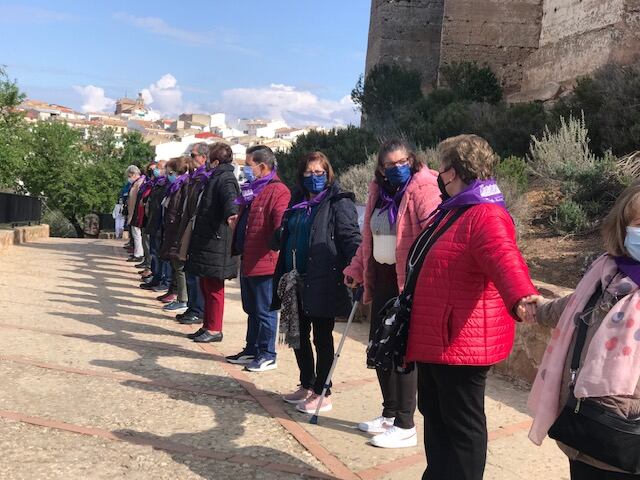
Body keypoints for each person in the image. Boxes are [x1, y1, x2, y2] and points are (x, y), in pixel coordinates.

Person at [405, 134, 539, 480]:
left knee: (462, 426)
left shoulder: (485, 213)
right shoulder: (456, 209)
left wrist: (522, 296)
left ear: (453, 171)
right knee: (436, 416)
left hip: (462, 342)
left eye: (443, 166)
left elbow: (504, 258)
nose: (438, 173)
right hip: (438, 339)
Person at [528, 182, 640, 479]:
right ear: (623, 225)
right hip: (584, 424)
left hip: (626, 434)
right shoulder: (607, 269)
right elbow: (574, 306)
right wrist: (537, 310)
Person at [343, 140, 441, 449]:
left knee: (401, 352)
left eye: (402, 162)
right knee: (380, 348)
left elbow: (432, 235)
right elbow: (366, 240)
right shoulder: (379, 192)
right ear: (381, 169)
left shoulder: (425, 187)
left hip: (406, 282)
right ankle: (388, 413)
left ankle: (405, 424)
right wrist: (357, 269)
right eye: (390, 165)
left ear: (412, 160)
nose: (397, 168)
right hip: (383, 277)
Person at [272, 151, 361, 414]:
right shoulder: (297, 202)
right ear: (301, 175)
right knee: (298, 335)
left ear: (328, 173)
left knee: (322, 338)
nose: (315, 178)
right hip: (292, 280)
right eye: (309, 173)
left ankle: (324, 391)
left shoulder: (338, 202)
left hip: (322, 280)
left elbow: (349, 236)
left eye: (320, 172)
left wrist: (356, 267)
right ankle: (307, 384)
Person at [225, 146, 291, 371]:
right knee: (251, 309)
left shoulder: (278, 190)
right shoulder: (253, 190)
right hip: (248, 258)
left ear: (262, 166)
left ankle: (267, 353)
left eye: (248, 164)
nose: (246, 168)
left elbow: (279, 225)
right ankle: (251, 348)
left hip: (265, 262)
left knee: (265, 311)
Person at [185, 143, 240, 343]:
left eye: (209, 160)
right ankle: (207, 325)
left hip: (217, 242)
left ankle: (215, 329)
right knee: (206, 285)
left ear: (216, 162)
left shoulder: (225, 179)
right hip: (208, 241)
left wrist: (232, 216)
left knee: (215, 288)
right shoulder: (215, 178)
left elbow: (231, 204)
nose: (206, 163)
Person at [174, 143, 210, 325]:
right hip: (188, 226)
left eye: (194, 154)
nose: (191, 157)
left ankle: (198, 309)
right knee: (189, 270)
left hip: (196, 229)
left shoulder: (204, 178)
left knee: (195, 274)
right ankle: (192, 306)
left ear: (204, 157)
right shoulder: (195, 178)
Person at [158, 156, 190, 311]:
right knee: (174, 262)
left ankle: (182, 298)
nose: (167, 174)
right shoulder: (175, 186)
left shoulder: (184, 185)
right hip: (172, 229)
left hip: (178, 230)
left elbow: (182, 210)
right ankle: (176, 294)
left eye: (169, 172)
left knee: (179, 265)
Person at [139, 160, 171, 292]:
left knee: (159, 253)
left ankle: (163, 279)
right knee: (153, 252)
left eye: (159, 168)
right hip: (153, 222)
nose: (156, 171)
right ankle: (156, 277)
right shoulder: (158, 184)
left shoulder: (167, 185)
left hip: (160, 224)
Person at [126, 165, 145, 262]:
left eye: (129, 175)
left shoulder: (140, 182)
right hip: (133, 211)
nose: (128, 178)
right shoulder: (135, 183)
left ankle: (139, 254)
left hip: (137, 212)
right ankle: (137, 252)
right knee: (135, 233)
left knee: (137, 234)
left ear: (134, 174)